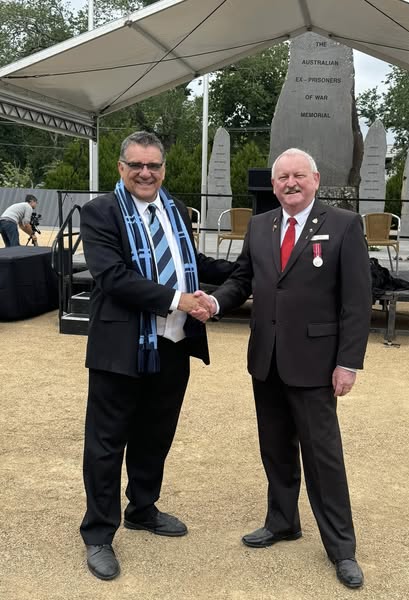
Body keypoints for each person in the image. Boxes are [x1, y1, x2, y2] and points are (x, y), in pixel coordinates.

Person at [194, 148, 372, 589]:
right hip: (266, 359)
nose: (290, 183)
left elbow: (356, 301)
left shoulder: (344, 224)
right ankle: (282, 521)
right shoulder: (260, 226)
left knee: (323, 458)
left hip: (316, 363)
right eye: (282, 177)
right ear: (273, 186)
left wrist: (348, 363)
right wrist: (215, 302)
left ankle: (342, 549)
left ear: (315, 179)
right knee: (274, 448)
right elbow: (242, 279)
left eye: (298, 176)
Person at [79, 130, 233, 581]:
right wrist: (178, 300)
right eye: (136, 165)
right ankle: (98, 533)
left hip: (173, 344)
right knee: (106, 443)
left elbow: (190, 262)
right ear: (121, 168)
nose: (145, 173)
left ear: (163, 169)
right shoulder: (101, 212)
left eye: (153, 165)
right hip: (120, 347)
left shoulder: (175, 209)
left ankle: (142, 508)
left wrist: (249, 268)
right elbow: (112, 276)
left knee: (155, 435)